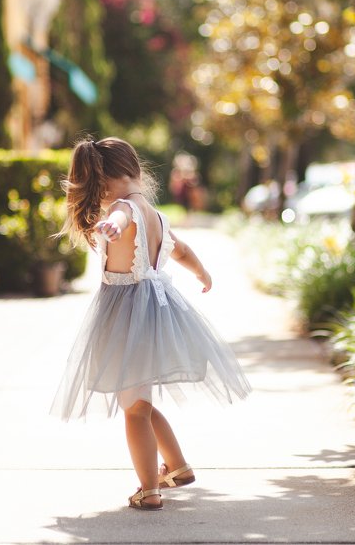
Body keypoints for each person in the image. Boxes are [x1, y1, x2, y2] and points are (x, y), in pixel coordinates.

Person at [50, 137, 251, 511]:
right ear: (136, 171)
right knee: (139, 399)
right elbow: (182, 249)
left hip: (127, 315)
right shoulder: (155, 213)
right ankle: (176, 465)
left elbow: (119, 217)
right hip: (157, 312)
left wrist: (110, 225)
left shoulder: (124, 210)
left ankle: (148, 488)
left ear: (100, 182)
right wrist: (201, 272)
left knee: (134, 408)